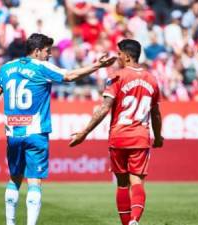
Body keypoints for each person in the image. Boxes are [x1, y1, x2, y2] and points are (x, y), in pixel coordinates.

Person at [0, 33, 116, 225]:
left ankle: (10, 223)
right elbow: (70, 75)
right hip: (36, 133)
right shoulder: (42, 67)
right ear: (37, 51)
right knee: (34, 181)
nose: (49, 55)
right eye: (47, 51)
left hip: (13, 132)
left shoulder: (6, 68)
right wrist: (98, 66)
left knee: (14, 179)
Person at [70, 39, 164, 225]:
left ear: (127, 56)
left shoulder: (116, 77)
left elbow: (105, 108)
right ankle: (134, 220)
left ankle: (126, 223)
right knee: (136, 181)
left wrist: (84, 132)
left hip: (118, 137)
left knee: (122, 183)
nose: (117, 57)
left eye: (119, 53)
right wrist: (158, 136)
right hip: (139, 137)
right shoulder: (152, 79)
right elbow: (156, 114)